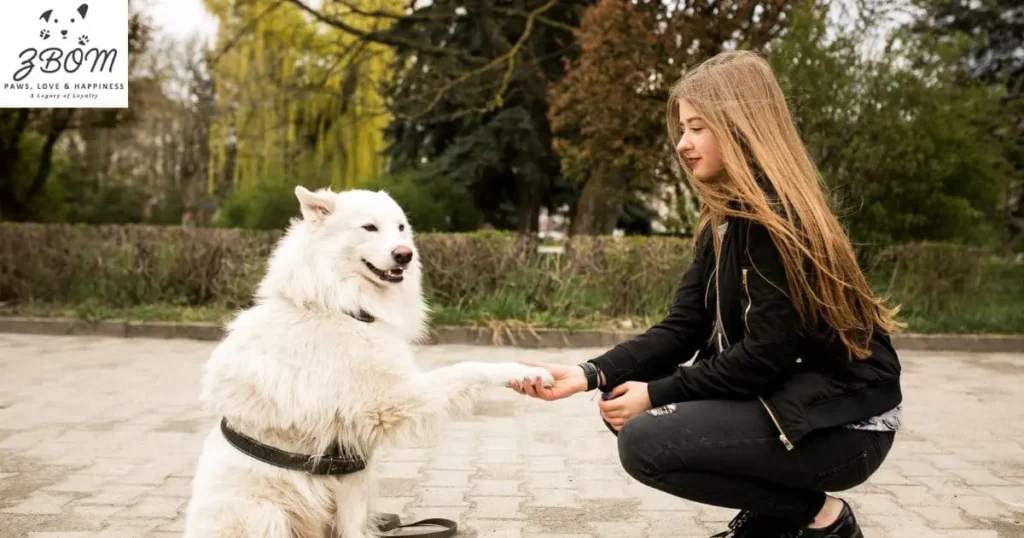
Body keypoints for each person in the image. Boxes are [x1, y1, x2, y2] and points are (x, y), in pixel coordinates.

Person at [509, 51, 903, 538]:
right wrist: (588, 374)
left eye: (697, 128)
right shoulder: (724, 219)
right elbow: (682, 328)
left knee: (646, 439)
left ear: (741, 128)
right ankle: (776, 521)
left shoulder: (775, 222)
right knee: (623, 404)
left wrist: (656, 394)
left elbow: (766, 355)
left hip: (844, 427)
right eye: (681, 129)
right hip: (796, 406)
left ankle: (822, 520)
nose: (682, 144)